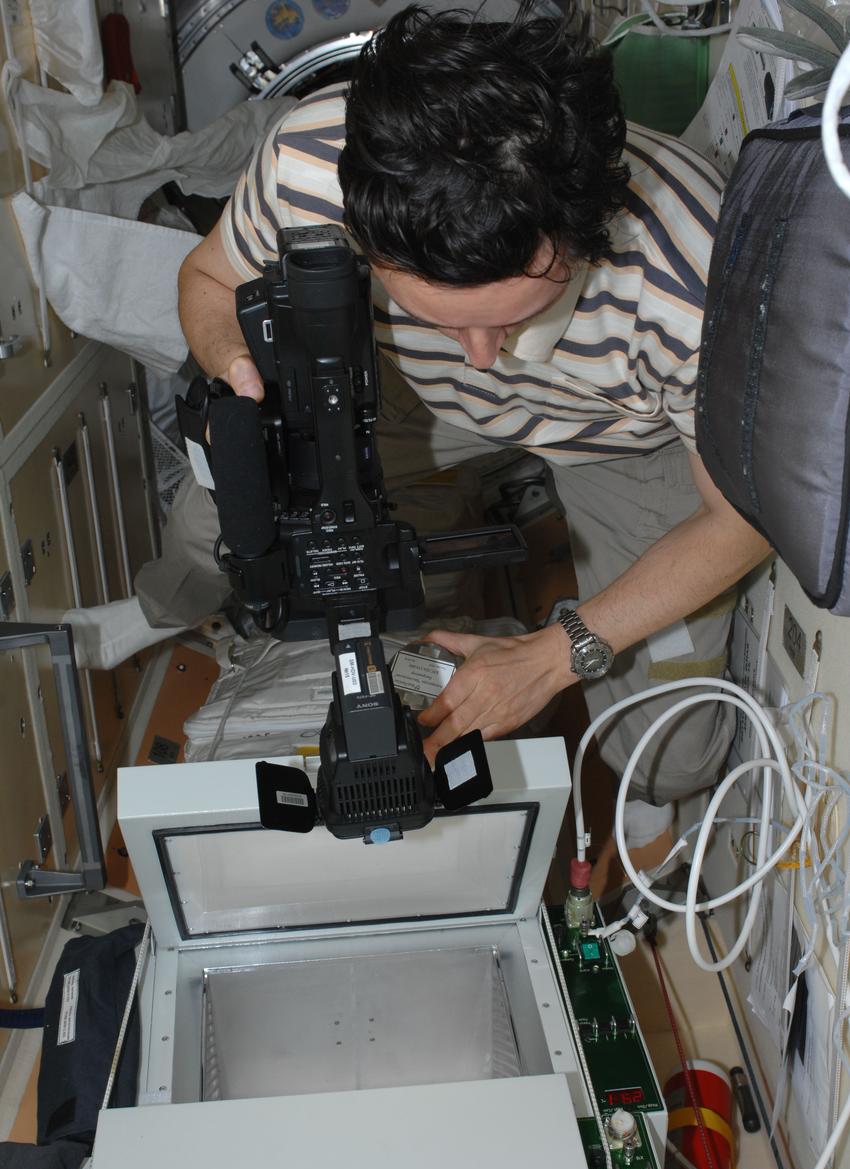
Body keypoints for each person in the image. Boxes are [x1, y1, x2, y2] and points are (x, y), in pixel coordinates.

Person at [155, 3, 767, 840]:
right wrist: (245, 387)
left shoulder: (694, 271)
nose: (483, 356)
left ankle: (524, 658)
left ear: (589, 234)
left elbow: (745, 516)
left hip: (623, 432)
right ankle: (185, 623)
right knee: (209, 526)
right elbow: (208, 279)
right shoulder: (308, 166)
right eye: (443, 315)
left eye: (517, 315)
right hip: (398, 390)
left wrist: (559, 655)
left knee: (671, 753)